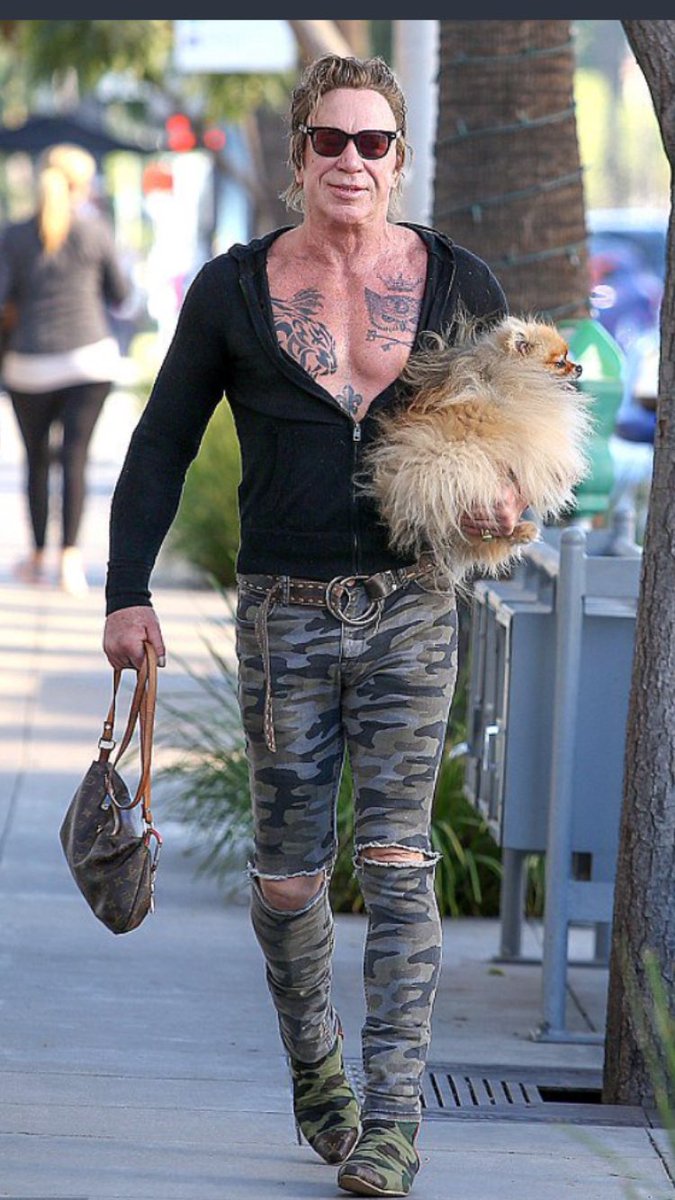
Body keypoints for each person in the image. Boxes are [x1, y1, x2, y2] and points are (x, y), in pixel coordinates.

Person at [103, 55, 524, 1198]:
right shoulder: (233, 289)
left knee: (396, 859)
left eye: (371, 142)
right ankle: (316, 1069)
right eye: (329, 140)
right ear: (298, 157)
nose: (350, 160)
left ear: (399, 159)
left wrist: (507, 498)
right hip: (283, 615)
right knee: (290, 880)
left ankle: (394, 1120)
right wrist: (127, 591)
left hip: (410, 605)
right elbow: (160, 442)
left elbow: (520, 434)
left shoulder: (459, 282)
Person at [0, 143, 129, 595]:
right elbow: (119, 293)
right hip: (87, 360)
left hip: (28, 364)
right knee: (76, 457)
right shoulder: (95, 232)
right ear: (82, 185)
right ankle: (70, 562)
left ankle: (38, 557)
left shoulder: (14, 235)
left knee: (36, 459)